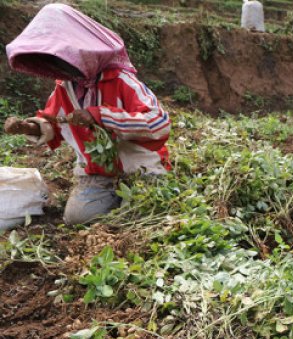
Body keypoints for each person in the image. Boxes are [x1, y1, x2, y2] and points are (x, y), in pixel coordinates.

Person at [3, 3, 171, 225]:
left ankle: (130, 194)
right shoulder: (65, 88)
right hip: (97, 173)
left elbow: (159, 123)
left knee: (144, 214)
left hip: (139, 168)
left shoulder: (122, 80)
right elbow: (52, 123)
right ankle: (109, 196)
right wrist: (27, 127)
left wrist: (99, 115)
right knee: (76, 218)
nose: (61, 66)